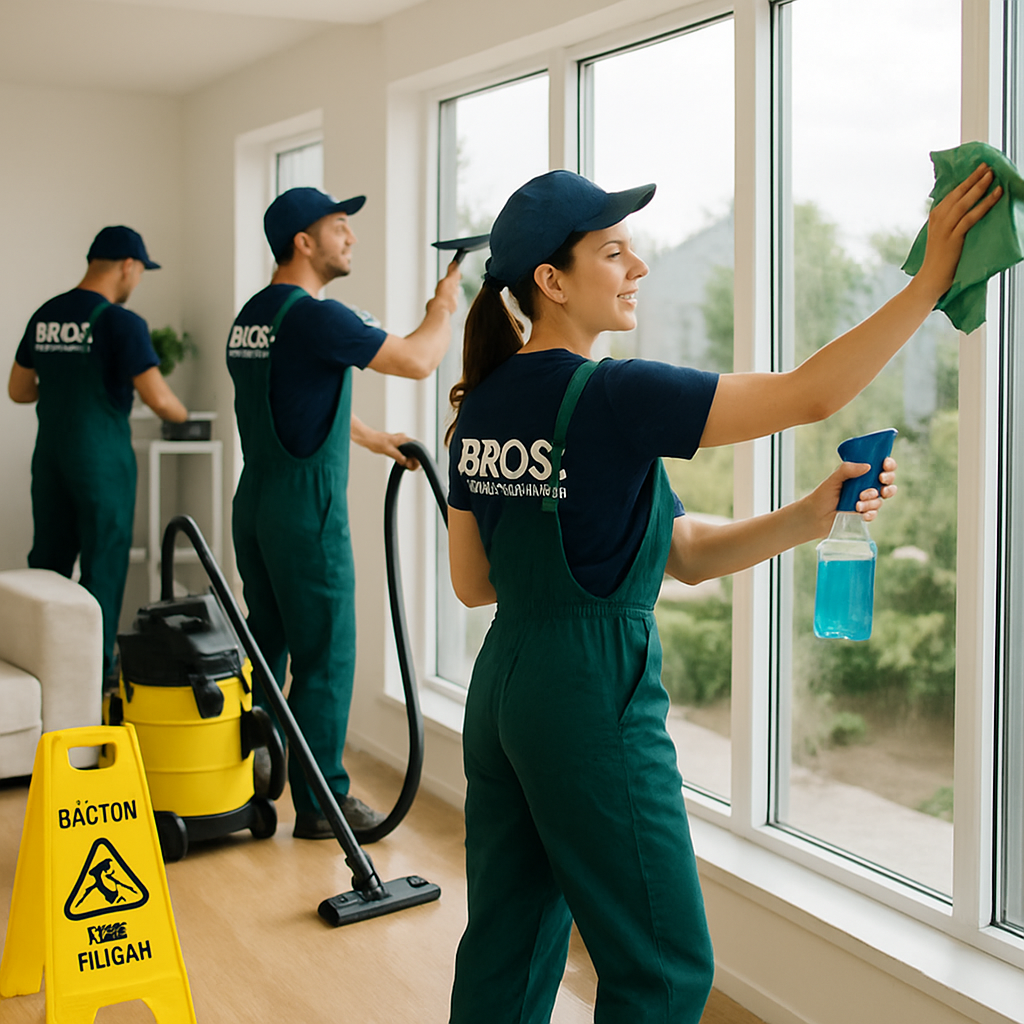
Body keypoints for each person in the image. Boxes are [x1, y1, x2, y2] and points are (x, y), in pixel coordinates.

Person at [444, 165, 1000, 1024]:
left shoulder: (479, 408)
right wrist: (929, 281)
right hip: (591, 695)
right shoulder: (615, 394)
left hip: (506, 688)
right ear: (552, 283)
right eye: (614, 253)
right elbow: (807, 395)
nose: (638, 269)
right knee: (662, 969)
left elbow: (493, 580)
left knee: (508, 951)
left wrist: (811, 516)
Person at [228, 186, 460, 838]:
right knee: (327, 656)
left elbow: (295, 394)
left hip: (257, 501)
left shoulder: (253, 317)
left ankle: (255, 770)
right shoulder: (315, 316)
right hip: (308, 510)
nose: (350, 238)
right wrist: (443, 308)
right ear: (304, 242)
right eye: (338, 227)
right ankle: (322, 804)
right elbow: (418, 359)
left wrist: (370, 437)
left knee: (267, 641)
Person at [8, 225, 188, 687]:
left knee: (47, 566)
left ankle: (38, 672)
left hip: (49, 461)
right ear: (128, 265)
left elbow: (18, 389)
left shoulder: (46, 315)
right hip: (102, 465)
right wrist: (182, 411)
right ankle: (93, 679)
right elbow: (161, 401)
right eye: (141, 272)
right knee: (102, 571)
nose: (139, 281)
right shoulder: (121, 323)